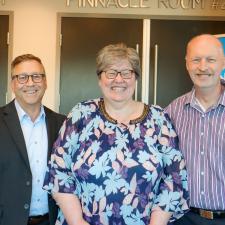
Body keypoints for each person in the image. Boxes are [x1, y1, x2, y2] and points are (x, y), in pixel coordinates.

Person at [43, 43, 189, 225]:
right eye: (111, 72)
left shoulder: (159, 119)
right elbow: (58, 170)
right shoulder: (81, 114)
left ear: (135, 78)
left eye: (126, 72)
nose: (118, 80)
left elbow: (175, 178)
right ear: (100, 78)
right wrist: (77, 222)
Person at [166, 34, 225, 225]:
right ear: (187, 64)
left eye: (211, 59)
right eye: (196, 59)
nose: (203, 67)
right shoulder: (173, 111)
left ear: (223, 63)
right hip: (184, 218)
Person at [0, 54, 66, 225]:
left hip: (51, 220)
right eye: (22, 77)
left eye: (36, 76)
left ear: (45, 82)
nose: (30, 83)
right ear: (13, 84)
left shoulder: (62, 124)